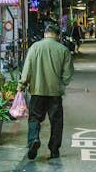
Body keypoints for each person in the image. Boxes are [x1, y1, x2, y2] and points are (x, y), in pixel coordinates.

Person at [19, 23, 74, 160]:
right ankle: (54, 150)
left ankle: (33, 140)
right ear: (57, 35)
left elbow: (27, 69)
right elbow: (68, 74)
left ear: (45, 34)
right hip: (55, 93)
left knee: (34, 118)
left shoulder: (35, 47)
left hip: (37, 91)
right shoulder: (63, 50)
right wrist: (61, 84)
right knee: (56, 121)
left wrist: (22, 85)